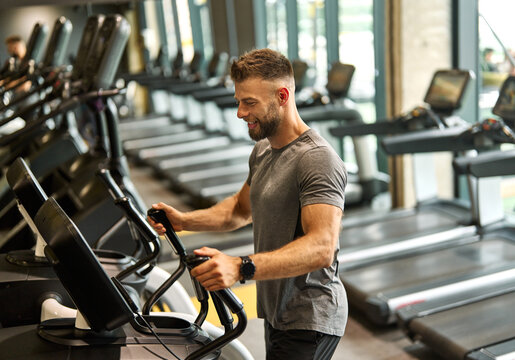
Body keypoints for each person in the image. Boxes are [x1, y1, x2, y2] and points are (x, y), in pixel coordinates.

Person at [148, 48, 348, 359]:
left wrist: (241, 267)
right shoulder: (263, 151)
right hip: (276, 311)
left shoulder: (317, 159)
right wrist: (184, 221)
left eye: (249, 103)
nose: (240, 112)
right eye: (239, 102)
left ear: (282, 96)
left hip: (310, 315)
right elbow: (238, 211)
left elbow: (322, 246)